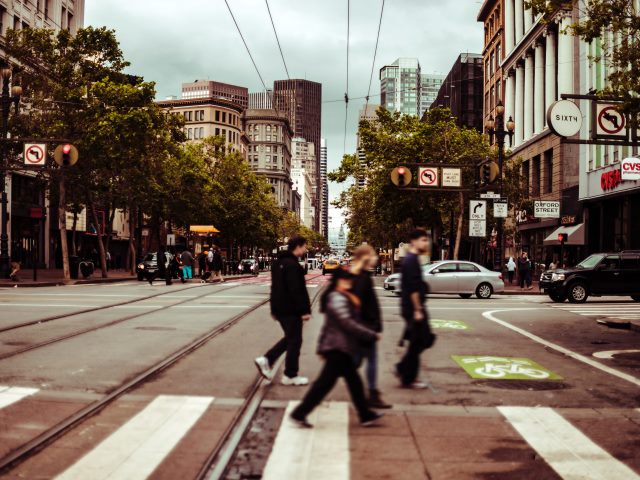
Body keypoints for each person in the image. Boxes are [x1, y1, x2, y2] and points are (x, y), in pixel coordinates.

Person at [290, 267, 383, 428]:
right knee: (326, 384)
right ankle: (300, 413)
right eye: (345, 279)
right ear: (337, 281)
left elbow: (328, 327)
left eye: (350, 279)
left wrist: (321, 346)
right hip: (338, 349)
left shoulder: (343, 296)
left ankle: (365, 414)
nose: (349, 281)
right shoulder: (338, 298)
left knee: (349, 383)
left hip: (339, 348)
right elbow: (347, 323)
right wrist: (370, 334)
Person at [255, 236, 311, 386]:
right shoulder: (293, 266)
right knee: (295, 341)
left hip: (280, 309)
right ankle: (290, 374)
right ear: (298, 247)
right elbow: (297, 290)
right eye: (304, 247)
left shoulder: (278, 263)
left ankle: (267, 359)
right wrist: (304, 310)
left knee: (291, 339)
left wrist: (274, 309)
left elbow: (274, 288)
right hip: (291, 309)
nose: (306, 250)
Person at [350, 244, 391, 409]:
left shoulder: (363, 276)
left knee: (356, 362)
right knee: (363, 361)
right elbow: (360, 305)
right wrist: (372, 327)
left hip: (365, 328)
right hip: (365, 328)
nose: (376, 257)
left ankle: (371, 394)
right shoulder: (362, 278)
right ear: (366, 258)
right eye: (373, 254)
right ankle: (372, 394)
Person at [396, 228, 435, 389]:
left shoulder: (413, 259)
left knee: (421, 341)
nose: (426, 243)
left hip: (413, 307)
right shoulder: (411, 260)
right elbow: (412, 289)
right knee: (420, 341)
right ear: (413, 242)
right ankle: (407, 376)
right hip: (414, 308)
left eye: (427, 240)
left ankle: (404, 369)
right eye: (423, 240)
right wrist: (418, 310)